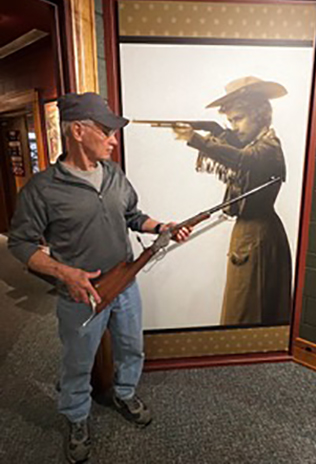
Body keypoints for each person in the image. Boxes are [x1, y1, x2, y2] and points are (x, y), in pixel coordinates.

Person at [8, 92, 191, 464]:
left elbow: (133, 215)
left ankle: (125, 394)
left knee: (130, 347)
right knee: (77, 362)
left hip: (124, 280)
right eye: (106, 131)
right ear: (78, 131)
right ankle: (76, 418)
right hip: (80, 294)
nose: (113, 139)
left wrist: (163, 226)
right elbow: (20, 244)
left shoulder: (114, 174)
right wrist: (63, 272)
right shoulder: (42, 189)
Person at [173, 76, 292, 327]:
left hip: (258, 234)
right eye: (230, 121)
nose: (234, 127)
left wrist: (196, 139)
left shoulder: (268, 146)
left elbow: (242, 160)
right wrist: (217, 132)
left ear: (259, 115)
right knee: (246, 309)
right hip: (252, 233)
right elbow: (237, 149)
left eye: (238, 119)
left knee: (247, 313)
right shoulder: (255, 142)